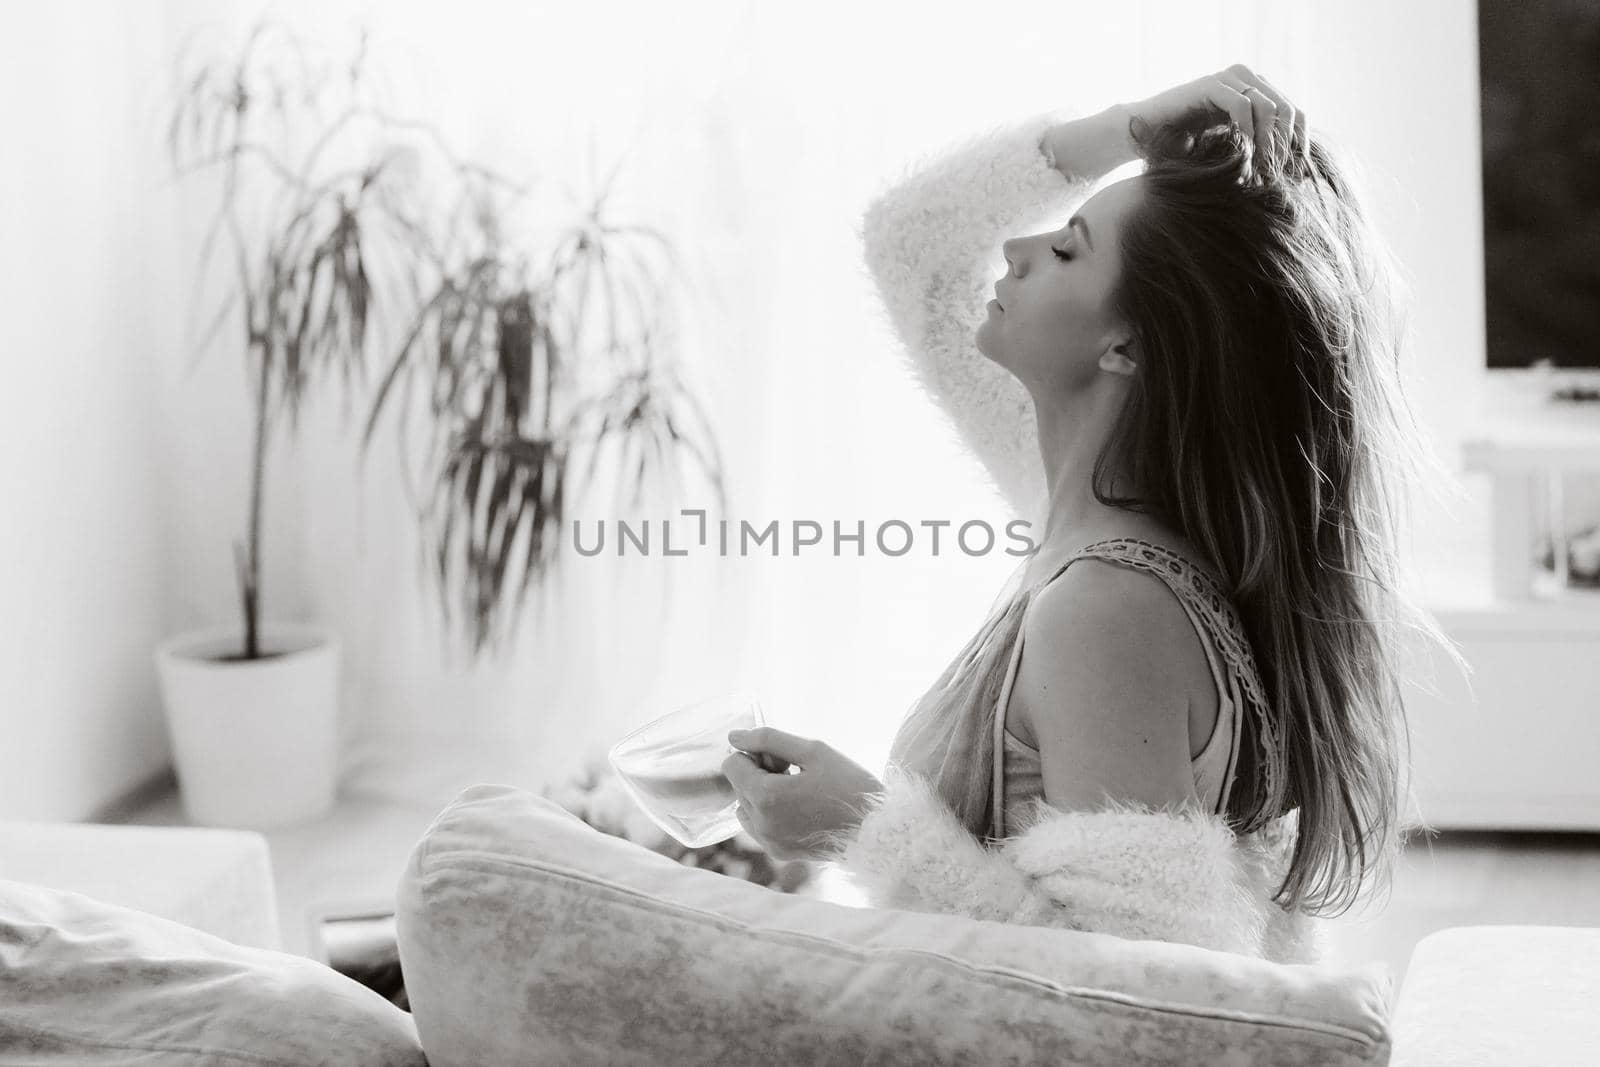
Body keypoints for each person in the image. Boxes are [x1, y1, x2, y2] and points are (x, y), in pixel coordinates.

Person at [720, 64, 1462, 963]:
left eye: (1069, 249)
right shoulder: (1095, 503)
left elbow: (1142, 996)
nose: (1016, 251)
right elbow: (908, 246)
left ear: (1126, 346)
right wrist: (1129, 127)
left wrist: (864, 827)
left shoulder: (1110, 607)